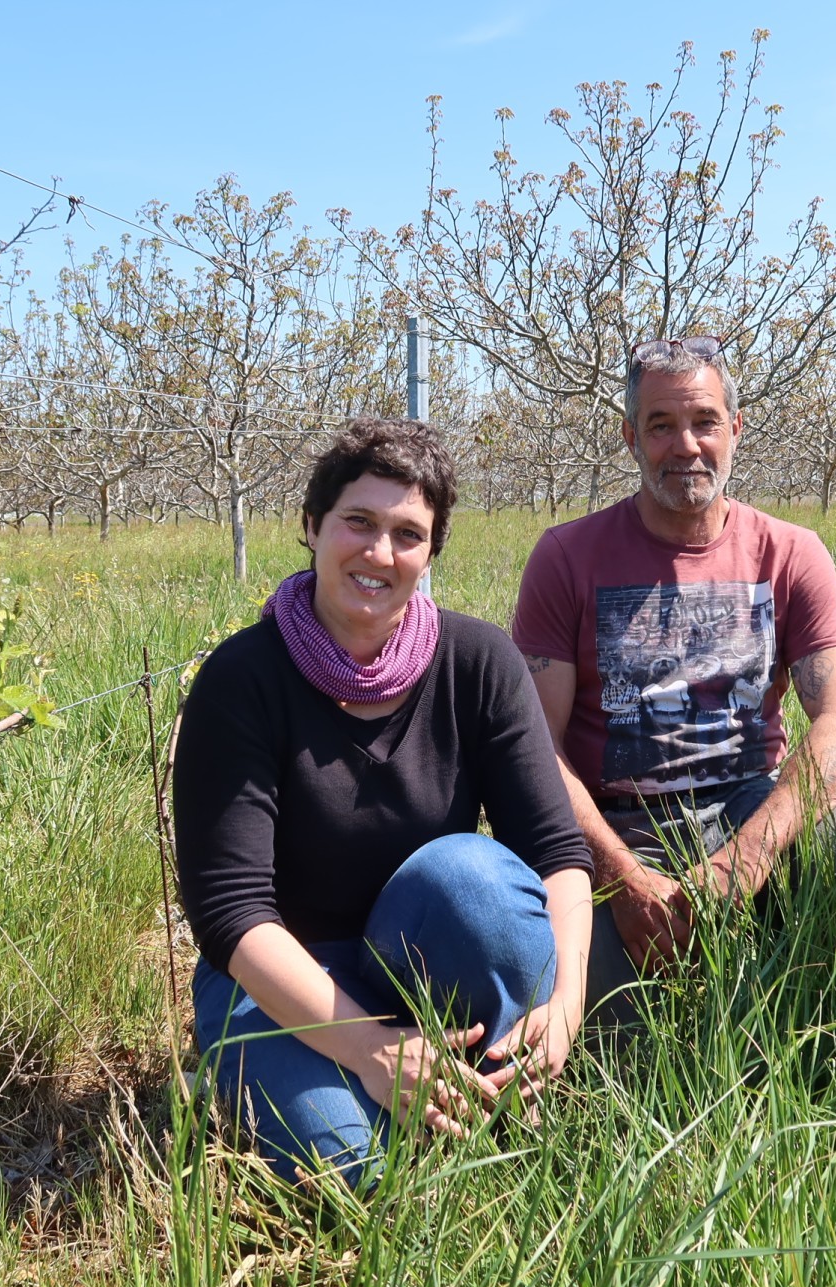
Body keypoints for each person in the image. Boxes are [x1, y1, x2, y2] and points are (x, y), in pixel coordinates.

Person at [174, 419, 594, 1185]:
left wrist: (566, 1001)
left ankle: (499, 1087)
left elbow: (558, 854)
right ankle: (328, 1090)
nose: (379, 554)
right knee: (356, 1168)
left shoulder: (479, 662)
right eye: (358, 523)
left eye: (408, 533)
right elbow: (230, 914)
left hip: (416, 950)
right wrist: (371, 1049)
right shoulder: (242, 681)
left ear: (431, 552)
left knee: (475, 880)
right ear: (310, 525)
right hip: (275, 983)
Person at [510, 336, 836, 1004]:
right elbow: (535, 746)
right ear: (630, 437)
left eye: (705, 422)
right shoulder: (567, 557)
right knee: (594, 1020)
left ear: (735, 429)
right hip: (617, 822)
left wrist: (749, 856)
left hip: (754, 801)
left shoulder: (790, 553)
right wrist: (619, 874)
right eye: (661, 425)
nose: (686, 445)